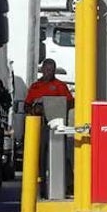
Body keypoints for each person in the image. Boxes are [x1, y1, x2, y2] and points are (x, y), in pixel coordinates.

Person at [25, 58, 74, 196]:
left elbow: (70, 102)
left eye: (51, 70)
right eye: (46, 69)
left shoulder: (60, 86)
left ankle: (67, 184)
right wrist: (37, 106)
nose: (48, 72)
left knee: (61, 156)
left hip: (56, 126)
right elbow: (27, 105)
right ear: (42, 70)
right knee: (40, 156)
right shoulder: (35, 86)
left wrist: (53, 104)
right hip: (40, 126)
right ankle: (41, 186)